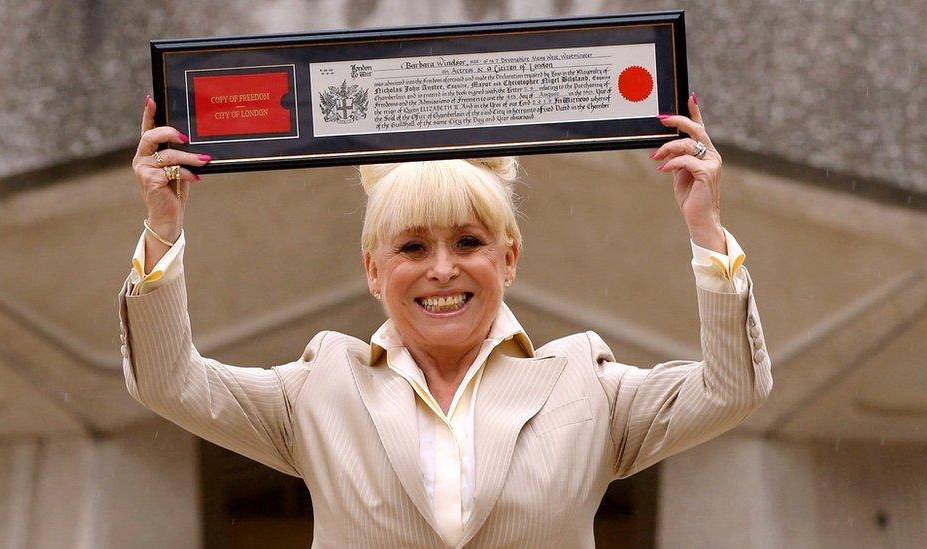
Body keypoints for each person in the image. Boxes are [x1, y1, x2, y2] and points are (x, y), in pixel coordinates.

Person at [119, 93, 772, 548]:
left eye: (467, 243)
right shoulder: (318, 388)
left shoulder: (587, 385)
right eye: (411, 248)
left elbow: (731, 390)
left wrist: (705, 227)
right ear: (373, 271)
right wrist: (162, 227)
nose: (441, 269)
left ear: (508, 257)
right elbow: (168, 382)